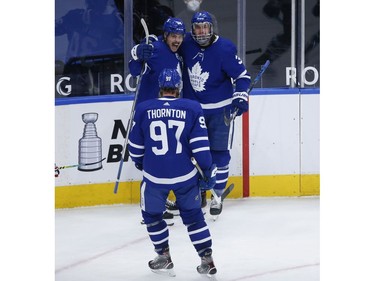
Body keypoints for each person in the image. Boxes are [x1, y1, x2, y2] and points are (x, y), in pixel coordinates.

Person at [128, 68, 218, 277]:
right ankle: (207, 260)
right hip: (185, 177)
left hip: (154, 177)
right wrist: (207, 171)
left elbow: (135, 147)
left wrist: (142, 164)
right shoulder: (192, 107)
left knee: (151, 216)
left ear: (160, 87)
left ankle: (163, 256)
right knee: (195, 218)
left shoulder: (144, 109)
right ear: (179, 87)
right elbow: (201, 148)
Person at [173, 11, 251, 216]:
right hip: (193, 111)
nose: (201, 31)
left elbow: (243, 76)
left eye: (205, 27)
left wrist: (241, 95)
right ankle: (199, 193)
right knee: (193, 155)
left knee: (219, 154)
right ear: (192, 29)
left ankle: (217, 194)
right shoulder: (186, 43)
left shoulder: (225, 48)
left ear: (211, 27)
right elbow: (167, 42)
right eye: (197, 27)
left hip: (220, 111)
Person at [128, 17, 185, 104]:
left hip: (169, 110)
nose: (177, 40)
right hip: (150, 110)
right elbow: (134, 70)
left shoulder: (180, 50)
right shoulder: (157, 48)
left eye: (180, 37)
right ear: (166, 35)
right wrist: (137, 54)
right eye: (173, 36)